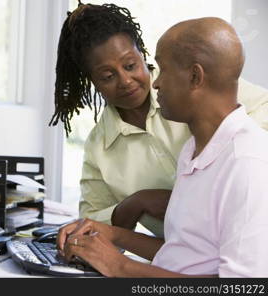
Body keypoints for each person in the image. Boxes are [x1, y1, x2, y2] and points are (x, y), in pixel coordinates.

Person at [56, 17, 268, 277]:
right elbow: (184, 254)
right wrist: (112, 233)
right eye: (108, 76)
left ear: (195, 77)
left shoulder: (244, 163)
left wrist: (119, 266)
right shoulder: (193, 150)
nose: (156, 83)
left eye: (161, 69)